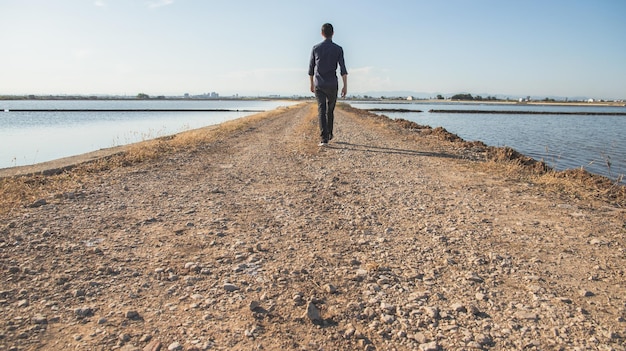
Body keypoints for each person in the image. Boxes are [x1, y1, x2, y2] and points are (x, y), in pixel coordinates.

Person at [308, 23, 348, 146]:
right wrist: (345, 86)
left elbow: (311, 68)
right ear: (333, 33)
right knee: (330, 110)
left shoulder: (315, 48)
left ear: (322, 33)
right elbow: (343, 69)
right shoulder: (338, 49)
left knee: (322, 110)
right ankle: (329, 133)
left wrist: (311, 84)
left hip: (319, 84)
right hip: (332, 84)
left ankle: (324, 139)